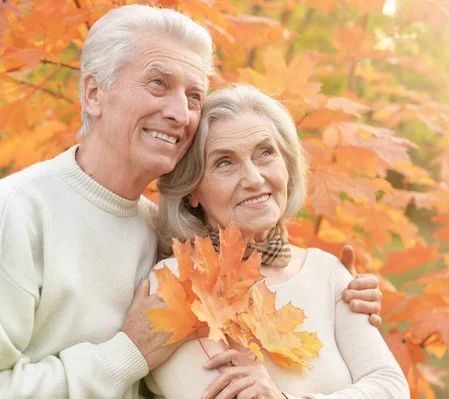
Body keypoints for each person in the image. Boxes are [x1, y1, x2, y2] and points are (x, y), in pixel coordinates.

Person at [0, 5, 384, 398]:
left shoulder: (164, 237)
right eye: (158, 84)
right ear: (94, 94)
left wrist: (339, 291)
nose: (180, 113)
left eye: (194, 95)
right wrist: (126, 354)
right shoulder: (19, 211)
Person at [145, 84, 409, 399]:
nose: (255, 178)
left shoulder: (329, 272)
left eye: (265, 152)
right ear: (191, 190)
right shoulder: (180, 282)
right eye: (225, 162)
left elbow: (391, 387)